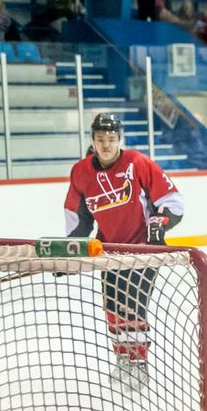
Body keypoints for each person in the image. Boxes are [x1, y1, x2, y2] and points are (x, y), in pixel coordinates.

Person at [64, 113, 185, 374]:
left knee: (133, 309)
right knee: (112, 310)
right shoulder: (81, 172)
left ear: (120, 139)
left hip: (142, 251)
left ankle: (138, 363)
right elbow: (79, 219)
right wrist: (68, 251)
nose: (106, 144)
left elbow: (172, 201)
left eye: (111, 138)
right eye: (100, 139)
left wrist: (159, 224)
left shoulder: (137, 163)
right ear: (93, 141)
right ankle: (122, 360)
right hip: (109, 252)